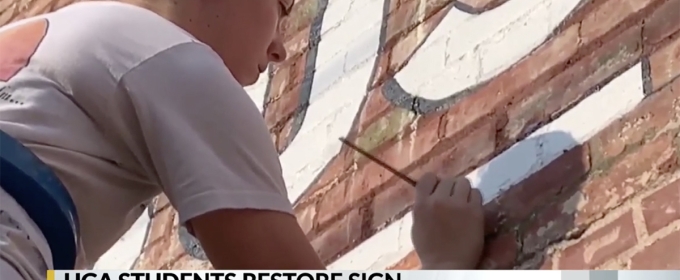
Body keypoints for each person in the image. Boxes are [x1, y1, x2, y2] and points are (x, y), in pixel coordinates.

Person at [0, 0, 486, 279]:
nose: (279, 49)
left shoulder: (54, 35)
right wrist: (446, 262)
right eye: (282, 6)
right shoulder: (168, 57)